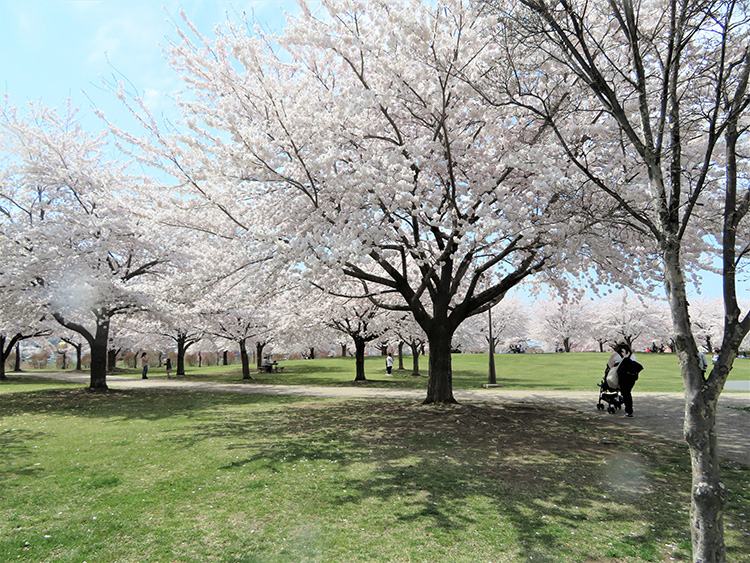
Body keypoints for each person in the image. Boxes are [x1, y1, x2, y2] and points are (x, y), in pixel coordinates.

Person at [616, 343, 643, 418]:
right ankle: (628, 409)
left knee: (626, 393)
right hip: (631, 378)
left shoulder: (627, 358)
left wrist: (625, 358)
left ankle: (629, 411)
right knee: (626, 393)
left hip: (626, 378)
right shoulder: (632, 357)